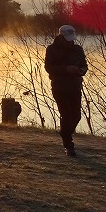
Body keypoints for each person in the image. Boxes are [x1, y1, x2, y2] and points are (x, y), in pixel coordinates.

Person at [44, 24, 88, 157]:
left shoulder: (78, 49)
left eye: (72, 39)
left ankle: (64, 133)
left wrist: (81, 71)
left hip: (75, 86)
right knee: (66, 115)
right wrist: (66, 69)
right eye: (68, 39)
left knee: (77, 116)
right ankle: (68, 145)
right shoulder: (51, 49)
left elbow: (84, 65)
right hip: (59, 87)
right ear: (61, 37)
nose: (70, 42)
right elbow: (49, 68)